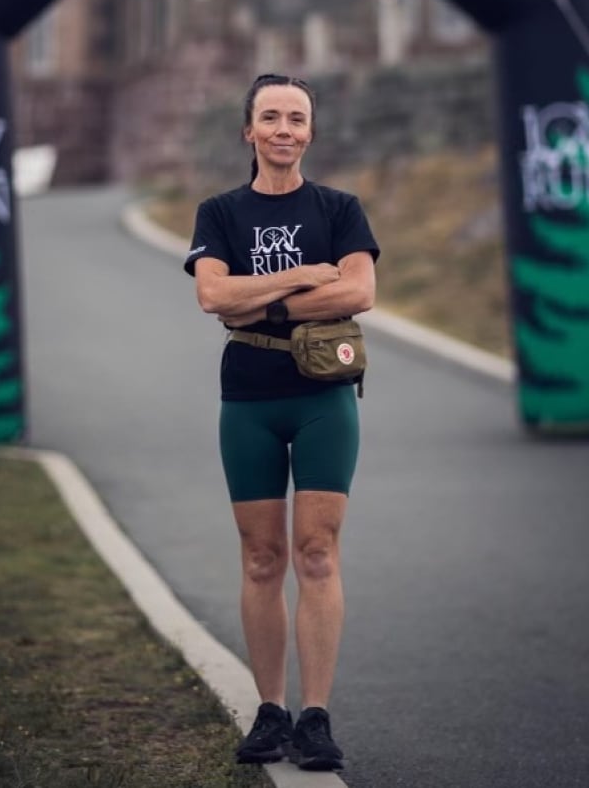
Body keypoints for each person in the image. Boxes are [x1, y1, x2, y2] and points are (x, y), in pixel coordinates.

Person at [184, 72, 379, 772]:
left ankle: (316, 716)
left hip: (324, 396)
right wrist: (303, 280)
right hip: (250, 400)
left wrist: (256, 300)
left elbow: (358, 289)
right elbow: (212, 296)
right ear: (249, 130)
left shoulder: (339, 208)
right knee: (262, 558)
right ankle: (270, 711)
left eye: (297, 118)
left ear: (310, 131)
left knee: (317, 553)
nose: (284, 129)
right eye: (271, 117)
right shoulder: (220, 213)